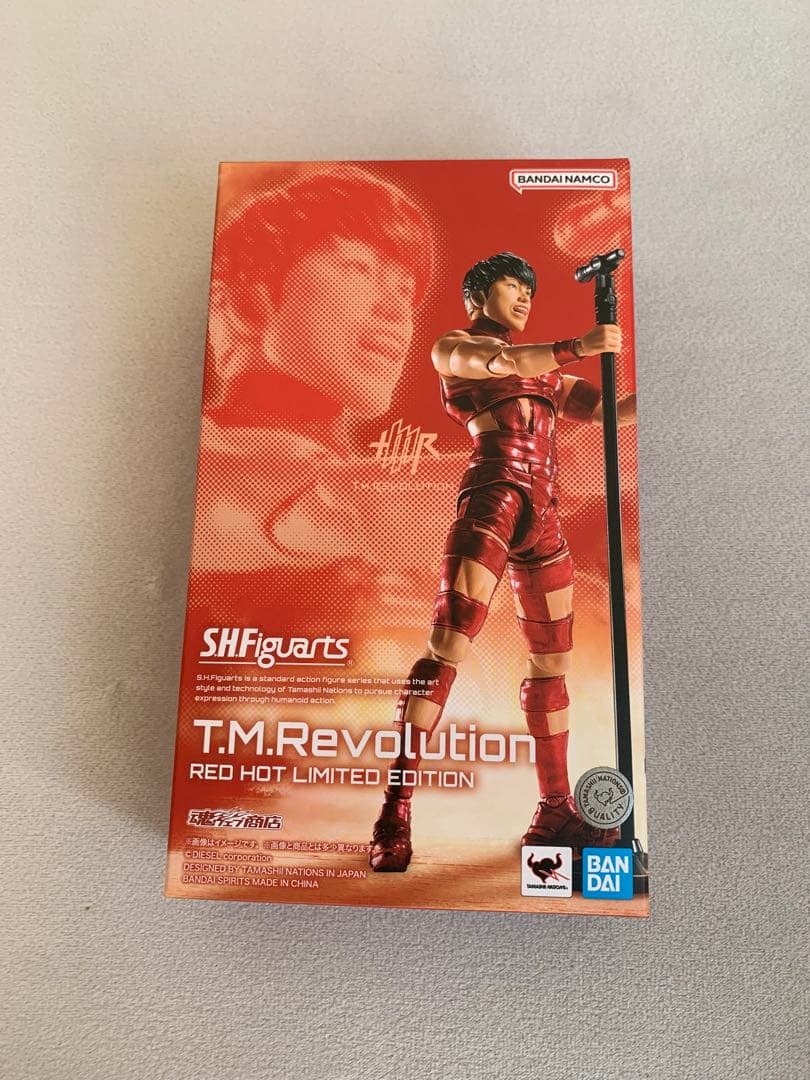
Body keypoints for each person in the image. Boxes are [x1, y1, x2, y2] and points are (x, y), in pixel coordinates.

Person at [369, 252, 636, 872]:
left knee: (553, 663)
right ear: (478, 294)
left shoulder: (546, 376)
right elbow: (504, 362)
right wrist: (579, 345)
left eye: (529, 290)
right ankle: (394, 810)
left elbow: (609, 411)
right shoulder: (453, 348)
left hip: (545, 511)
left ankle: (555, 810)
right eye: (513, 286)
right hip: (494, 494)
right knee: (449, 644)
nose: (523, 298)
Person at [190, 166, 432, 601]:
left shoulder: (340, 474)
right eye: (359, 267)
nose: (397, 312)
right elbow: (305, 508)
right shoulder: (202, 459)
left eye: (405, 290)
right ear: (251, 302)